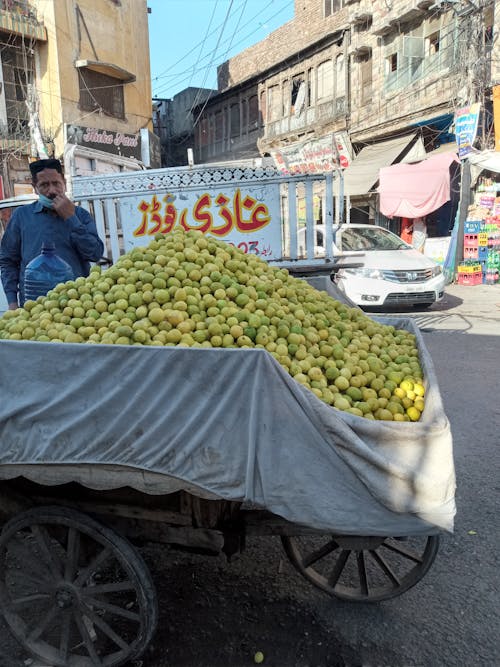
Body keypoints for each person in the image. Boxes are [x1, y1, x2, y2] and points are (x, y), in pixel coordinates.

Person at [0, 158, 104, 309]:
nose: (52, 191)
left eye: (56, 183)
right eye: (44, 185)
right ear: (34, 188)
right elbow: (8, 260)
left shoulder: (81, 216)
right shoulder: (21, 216)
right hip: (34, 304)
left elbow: (94, 253)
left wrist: (71, 218)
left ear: (65, 183)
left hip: (76, 306)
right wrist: (12, 302)